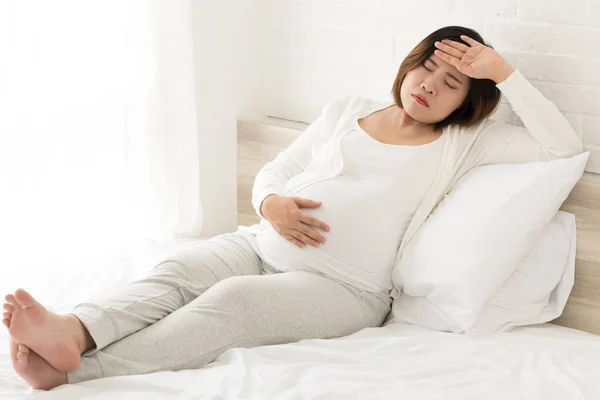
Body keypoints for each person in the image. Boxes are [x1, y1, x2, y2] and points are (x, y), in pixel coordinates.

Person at [2, 25, 583, 390]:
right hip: (259, 244)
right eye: (427, 66)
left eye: (452, 82)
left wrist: (503, 73)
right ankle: (75, 331)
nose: (429, 83)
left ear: (468, 102)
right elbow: (277, 171)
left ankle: (80, 370)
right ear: (407, 65)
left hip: (343, 288)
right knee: (177, 272)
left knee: (230, 303)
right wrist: (271, 204)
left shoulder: (468, 143)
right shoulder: (346, 109)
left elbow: (563, 146)